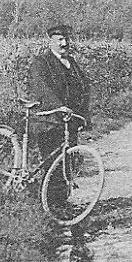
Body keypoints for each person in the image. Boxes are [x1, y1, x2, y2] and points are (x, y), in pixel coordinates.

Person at [28, 24, 91, 214]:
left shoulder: (71, 62)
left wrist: (83, 114)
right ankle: (51, 206)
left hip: (68, 120)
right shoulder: (42, 62)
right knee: (53, 163)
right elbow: (42, 88)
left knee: (67, 162)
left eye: (66, 39)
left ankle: (61, 202)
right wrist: (58, 106)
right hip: (49, 121)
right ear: (50, 42)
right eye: (59, 40)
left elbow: (83, 86)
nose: (64, 43)